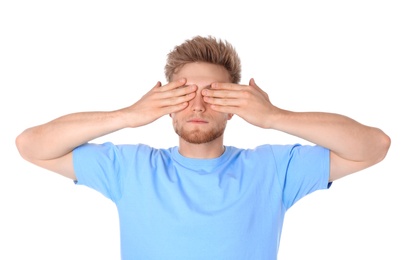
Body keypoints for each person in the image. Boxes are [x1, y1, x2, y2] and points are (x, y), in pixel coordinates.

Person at [15, 35, 391, 260]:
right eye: (184, 94)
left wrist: (274, 116)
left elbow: (374, 146)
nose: (197, 106)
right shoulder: (129, 168)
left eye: (213, 95)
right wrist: (128, 115)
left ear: (233, 108)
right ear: (166, 106)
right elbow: (31, 145)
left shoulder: (273, 168)